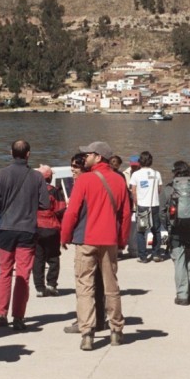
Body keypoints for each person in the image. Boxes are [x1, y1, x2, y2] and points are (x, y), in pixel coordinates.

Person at [60, 141, 131, 351]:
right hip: (109, 240)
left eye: (88, 154)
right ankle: (116, 330)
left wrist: (64, 236)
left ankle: (87, 333)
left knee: (84, 287)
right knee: (112, 287)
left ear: (98, 157)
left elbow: (72, 212)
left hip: (85, 240)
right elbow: (126, 214)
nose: (85, 157)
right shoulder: (119, 181)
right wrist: (122, 240)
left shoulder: (85, 180)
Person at [0, 139, 49, 331]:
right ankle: (18, 316)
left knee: (4, 272)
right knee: (23, 274)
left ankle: (1, 312)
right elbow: (45, 204)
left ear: (10, 152)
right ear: (28, 154)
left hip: (6, 229)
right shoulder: (37, 177)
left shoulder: (0, 175)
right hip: (27, 230)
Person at [161, 160, 190, 306]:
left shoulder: (168, 190)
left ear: (175, 172)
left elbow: (161, 212)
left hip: (176, 232)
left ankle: (182, 296)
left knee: (179, 263)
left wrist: (167, 226)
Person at [33, 164, 65, 297]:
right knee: (53, 258)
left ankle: (39, 287)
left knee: (38, 258)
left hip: (36, 228)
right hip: (51, 228)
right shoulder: (54, 191)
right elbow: (60, 209)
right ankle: (52, 284)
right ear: (50, 177)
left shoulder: (32, 191)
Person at [129, 151, 165, 263]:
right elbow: (159, 190)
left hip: (142, 206)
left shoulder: (136, 174)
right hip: (154, 205)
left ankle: (143, 256)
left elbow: (133, 191)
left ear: (140, 161)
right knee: (156, 230)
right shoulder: (156, 174)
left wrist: (136, 202)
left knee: (141, 232)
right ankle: (156, 254)